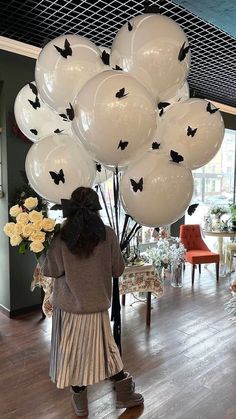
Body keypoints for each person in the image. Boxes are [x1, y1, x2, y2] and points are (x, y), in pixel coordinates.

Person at [39, 186, 144, 417]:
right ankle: (124, 392)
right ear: (96, 208)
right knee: (107, 351)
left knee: (73, 354)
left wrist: (40, 249)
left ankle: (81, 402)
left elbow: (50, 269)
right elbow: (118, 270)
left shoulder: (60, 238)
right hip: (97, 308)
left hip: (69, 310)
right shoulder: (108, 234)